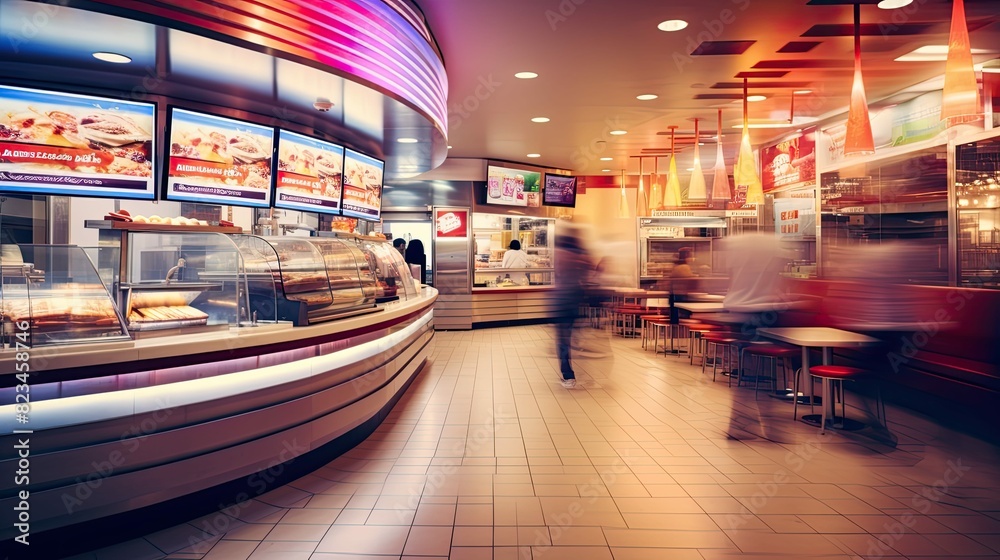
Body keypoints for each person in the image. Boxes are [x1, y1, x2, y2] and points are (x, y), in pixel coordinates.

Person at [553, 224, 593, 388]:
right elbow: (588, 275)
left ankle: (568, 375)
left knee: (562, 341)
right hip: (576, 301)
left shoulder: (560, 256)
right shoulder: (582, 257)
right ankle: (579, 356)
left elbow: (557, 275)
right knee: (572, 335)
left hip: (561, 302)